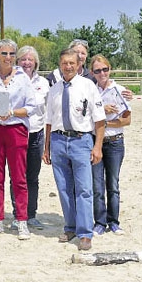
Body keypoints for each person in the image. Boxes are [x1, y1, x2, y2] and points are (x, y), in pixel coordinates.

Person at [42, 47, 106, 251]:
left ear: (79, 65)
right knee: (63, 189)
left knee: (84, 190)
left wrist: (97, 147)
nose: (68, 66)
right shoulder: (54, 89)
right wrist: (47, 147)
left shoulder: (88, 86)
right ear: (60, 65)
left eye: (72, 63)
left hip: (81, 141)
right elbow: (49, 121)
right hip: (59, 141)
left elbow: (100, 120)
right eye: (64, 63)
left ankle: (85, 233)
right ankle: (70, 227)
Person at [0, 38, 36, 240]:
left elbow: (31, 107)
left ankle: (22, 220)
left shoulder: (23, 78)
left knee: (19, 178)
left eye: (12, 54)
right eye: (4, 54)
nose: (8, 57)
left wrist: (12, 112)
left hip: (16, 130)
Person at [90, 54, 132, 236]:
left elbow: (127, 120)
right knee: (97, 186)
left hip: (115, 143)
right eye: (98, 71)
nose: (102, 73)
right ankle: (100, 221)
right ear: (92, 73)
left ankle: (113, 221)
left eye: (105, 69)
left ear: (110, 69)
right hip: (95, 142)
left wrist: (104, 123)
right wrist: (101, 111)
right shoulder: (90, 91)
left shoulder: (119, 90)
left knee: (113, 184)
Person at [9, 46, 49, 231]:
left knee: (32, 177)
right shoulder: (10, 80)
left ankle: (31, 214)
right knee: (16, 177)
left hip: (36, 133)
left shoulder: (43, 83)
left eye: (30, 59)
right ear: (17, 61)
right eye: (23, 59)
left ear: (35, 63)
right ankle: (18, 215)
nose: (26, 63)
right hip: (15, 132)